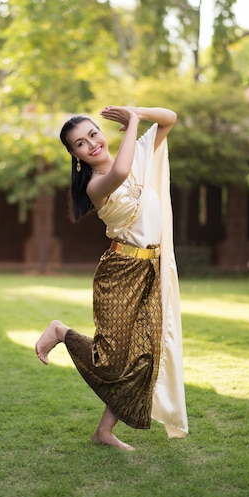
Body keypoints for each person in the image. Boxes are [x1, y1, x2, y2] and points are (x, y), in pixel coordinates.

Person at [35, 105, 188, 451]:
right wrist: (134, 123)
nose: (91, 144)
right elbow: (120, 171)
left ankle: (104, 431)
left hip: (151, 270)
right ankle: (60, 332)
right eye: (80, 144)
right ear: (76, 157)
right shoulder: (95, 186)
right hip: (120, 273)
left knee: (145, 356)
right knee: (112, 359)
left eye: (93, 134)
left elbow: (170, 118)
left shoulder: (140, 153)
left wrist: (137, 110)